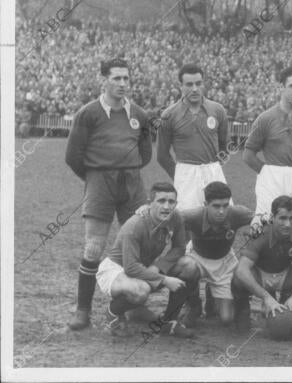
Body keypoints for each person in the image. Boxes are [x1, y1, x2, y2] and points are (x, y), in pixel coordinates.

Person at [65, 58, 152, 330]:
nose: (122, 84)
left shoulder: (139, 113)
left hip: (132, 183)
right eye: (116, 78)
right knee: (93, 246)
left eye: (126, 78)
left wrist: (128, 172)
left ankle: (135, 306)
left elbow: (146, 153)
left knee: (138, 243)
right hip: (100, 182)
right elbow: (72, 156)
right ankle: (83, 311)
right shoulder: (88, 113)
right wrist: (95, 178)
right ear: (103, 79)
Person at [96, 182, 198, 337]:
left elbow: (179, 248)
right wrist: (164, 279)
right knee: (140, 290)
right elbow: (130, 268)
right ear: (150, 204)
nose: (166, 206)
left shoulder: (175, 217)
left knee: (189, 265)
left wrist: (158, 267)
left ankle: (168, 322)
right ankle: (112, 313)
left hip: (143, 266)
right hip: (116, 269)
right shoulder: (135, 225)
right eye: (161, 201)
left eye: (171, 202)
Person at [231, 196, 292, 331]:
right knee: (238, 279)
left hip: (284, 273)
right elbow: (242, 270)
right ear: (272, 217)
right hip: (261, 274)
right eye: (283, 218)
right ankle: (243, 310)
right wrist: (266, 297)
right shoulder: (261, 231)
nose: (288, 224)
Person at [243, 67, 292, 219]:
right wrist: (268, 172)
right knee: (268, 225)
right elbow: (248, 154)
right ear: (281, 88)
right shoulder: (265, 118)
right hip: (271, 179)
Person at [180, 182, 255, 327]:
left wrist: (256, 229)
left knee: (227, 318)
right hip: (197, 256)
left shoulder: (237, 213)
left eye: (225, 205)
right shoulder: (193, 215)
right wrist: (145, 210)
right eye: (216, 206)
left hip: (224, 261)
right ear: (205, 204)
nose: (221, 211)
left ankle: (212, 294)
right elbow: (166, 219)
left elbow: (268, 219)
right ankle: (193, 304)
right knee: (186, 267)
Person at [157, 63, 230, 211]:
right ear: (180, 86)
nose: (195, 89)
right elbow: (162, 155)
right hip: (186, 174)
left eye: (198, 83)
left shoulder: (217, 110)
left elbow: (225, 145)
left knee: (221, 218)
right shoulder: (169, 115)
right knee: (186, 221)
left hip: (213, 171)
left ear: (204, 84)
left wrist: (213, 167)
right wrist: (180, 174)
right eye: (189, 84)